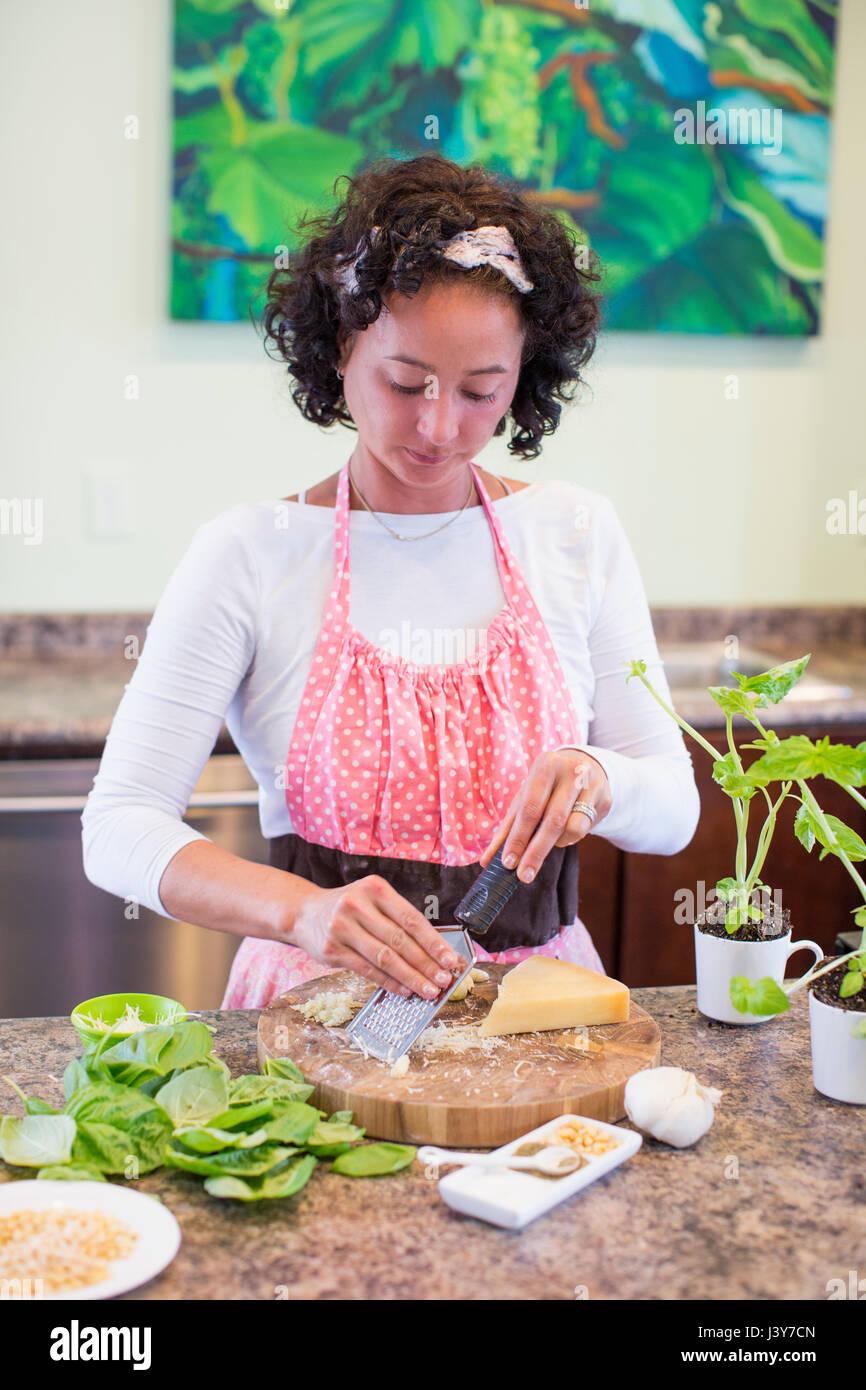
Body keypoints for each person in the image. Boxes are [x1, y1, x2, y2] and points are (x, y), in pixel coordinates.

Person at [82, 154, 700, 1009]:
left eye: (483, 391)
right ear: (341, 348)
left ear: (526, 375)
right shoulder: (250, 554)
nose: (439, 426)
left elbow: (674, 811)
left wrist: (602, 775)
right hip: (313, 1010)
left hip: (541, 1023)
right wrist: (302, 912)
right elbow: (118, 826)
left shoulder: (575, 533)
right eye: (405, 383)